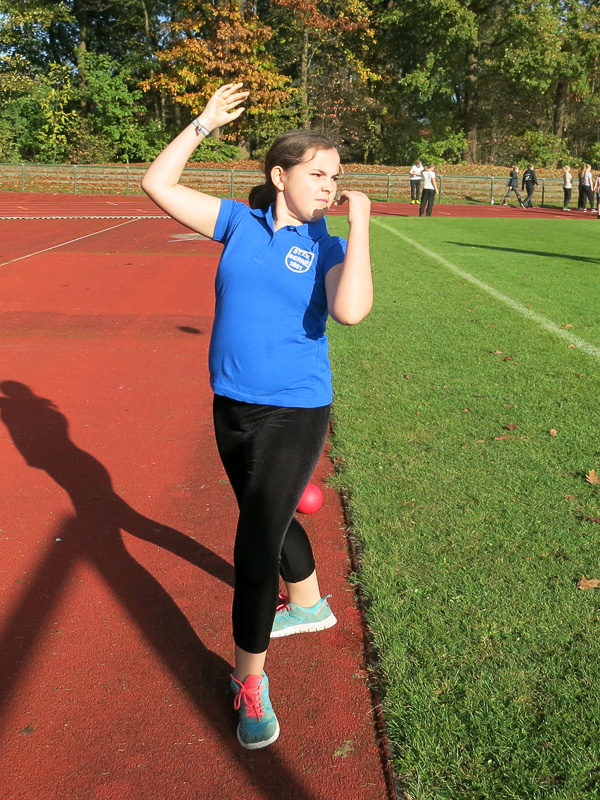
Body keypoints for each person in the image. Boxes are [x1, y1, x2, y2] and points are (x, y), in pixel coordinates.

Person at [141, 83, 372, 750]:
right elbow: (157, 185)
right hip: (231, 404)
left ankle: (249, 680)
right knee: (264, 512)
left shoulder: (328, 246)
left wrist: (358, 227)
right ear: (280, 176)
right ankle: (309, 603)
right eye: (318, 174)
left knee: (253, 541)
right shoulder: (238, 224)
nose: (330, 186)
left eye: (336, 176)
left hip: (295, 408)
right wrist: (203, 123)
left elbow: (351, 311)